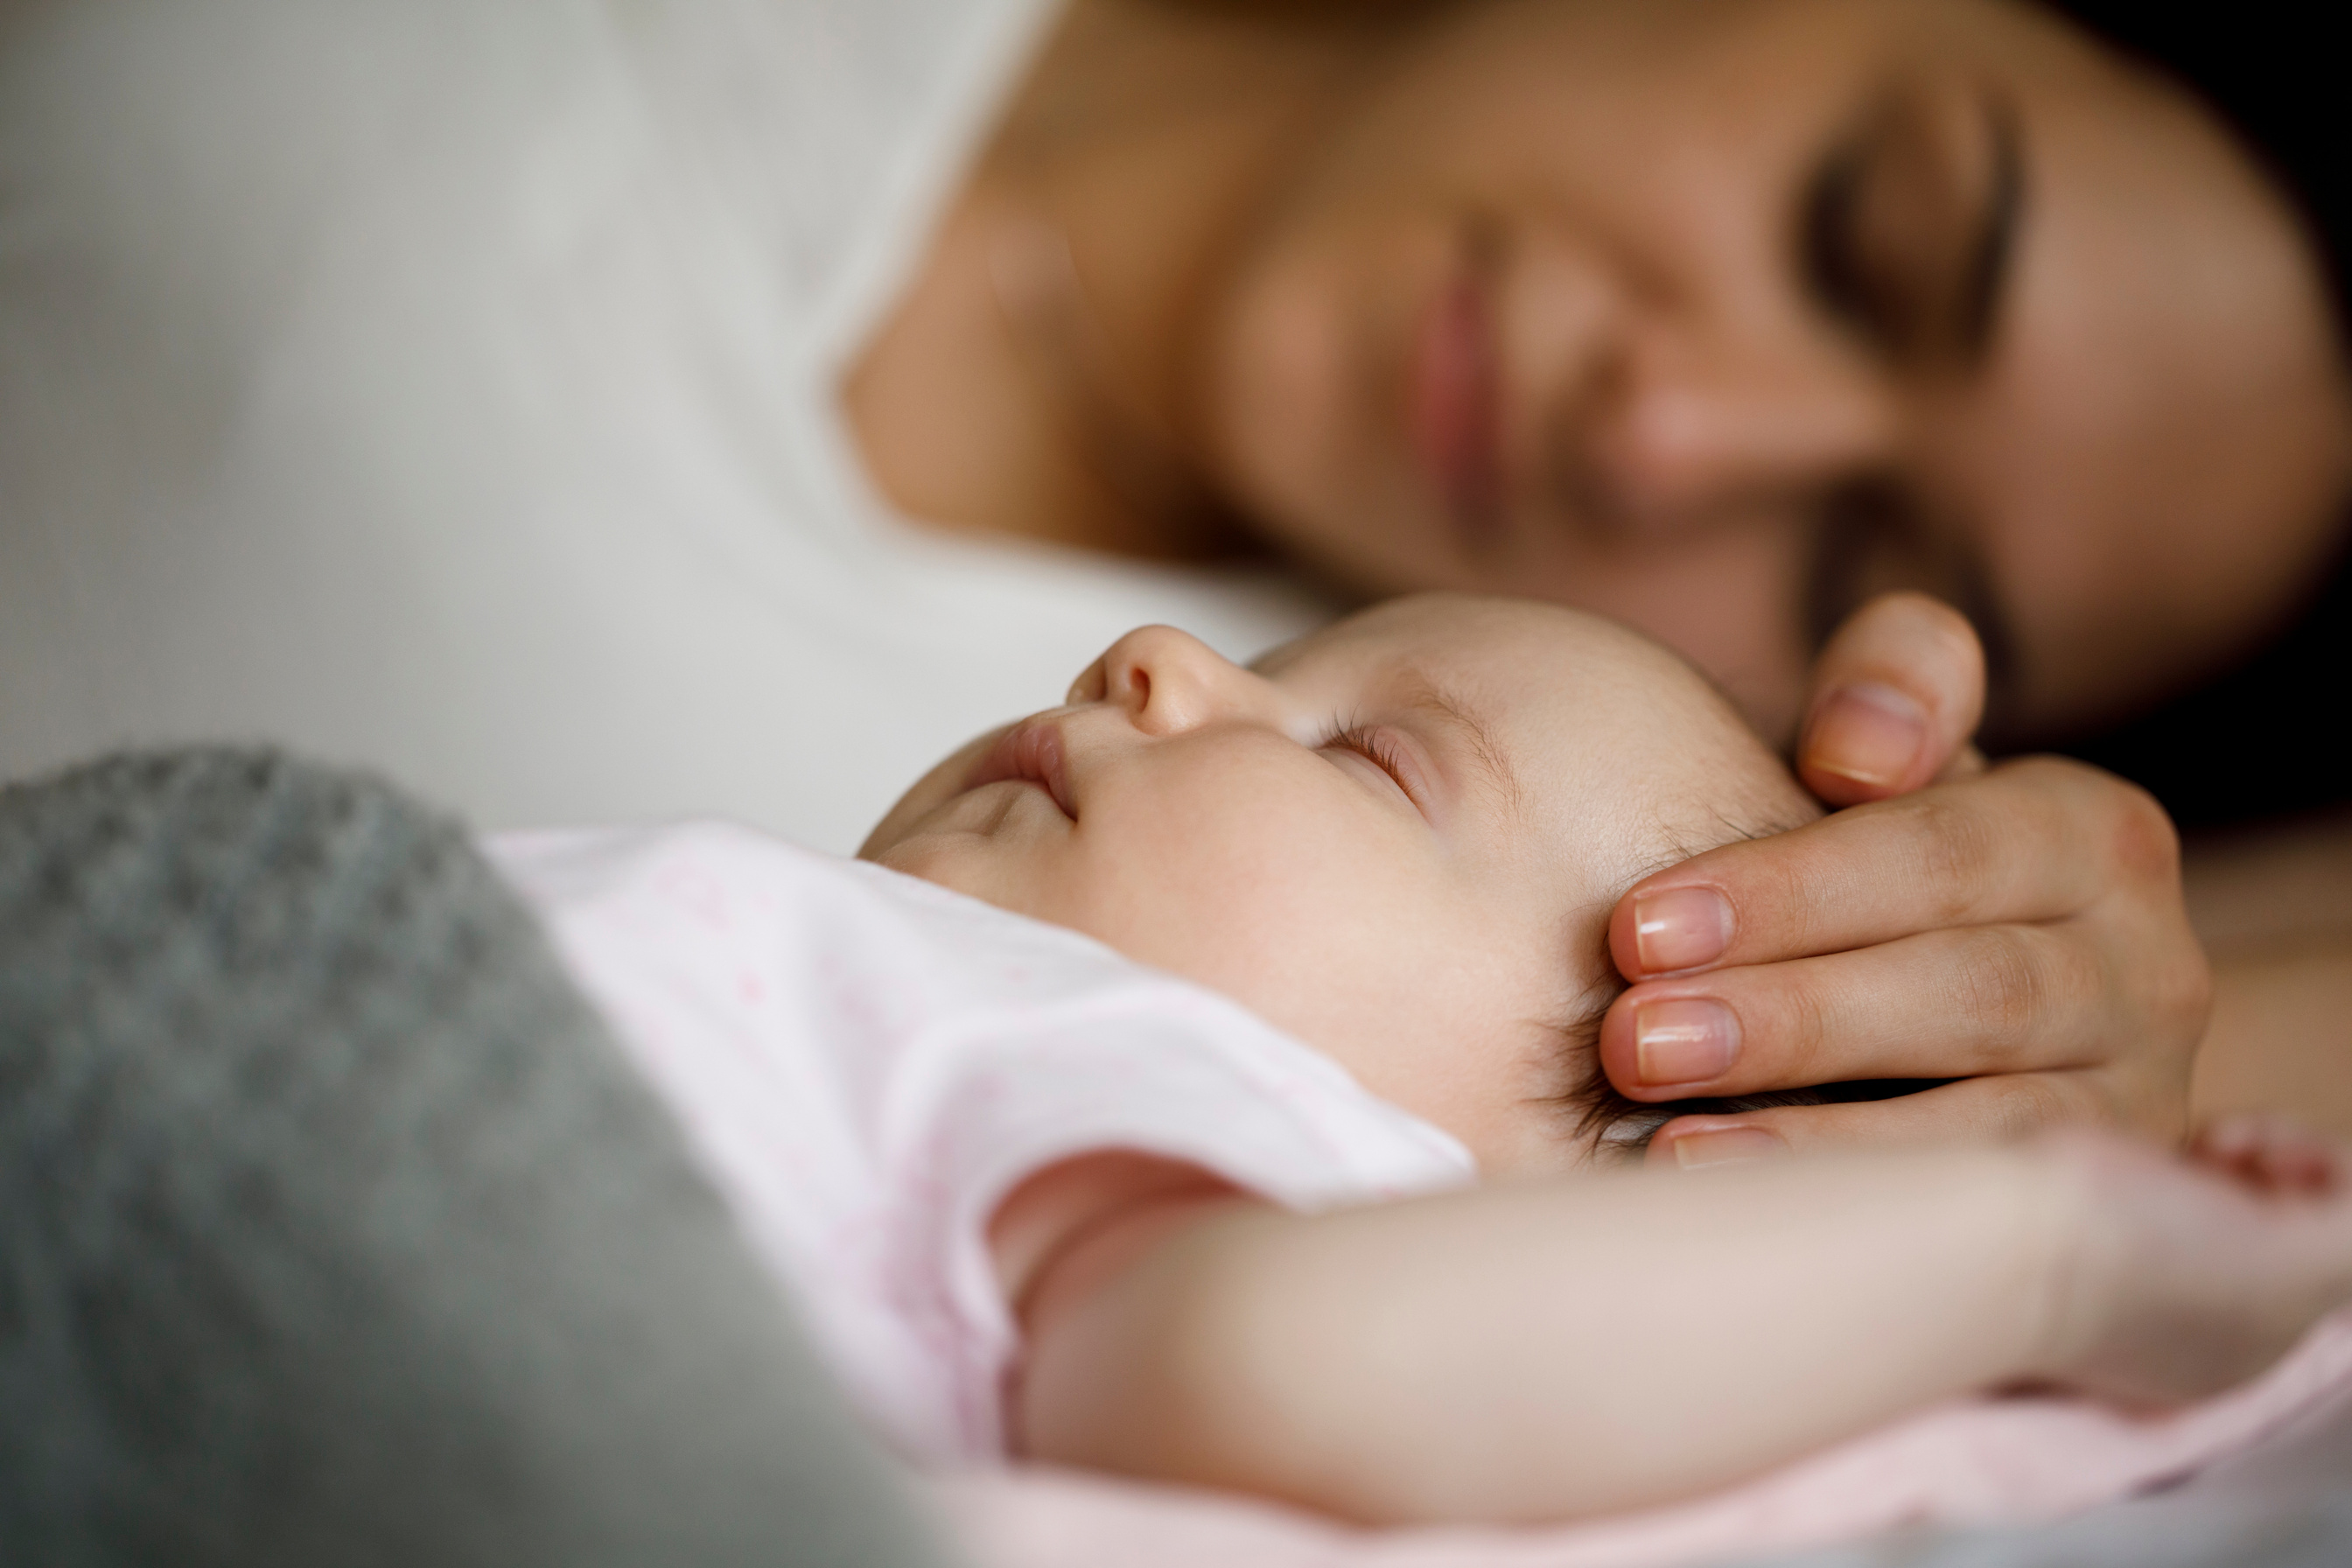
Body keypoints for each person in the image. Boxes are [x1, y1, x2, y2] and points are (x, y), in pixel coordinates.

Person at [0, 0, 2334, 1162]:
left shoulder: (1299, 984)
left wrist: (2063, 1048)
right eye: (1862, 235)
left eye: (1851, 558)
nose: (1667, 432)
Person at [489, 592, 2352, 1527]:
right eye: (1270, 658)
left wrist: (2052, 1251)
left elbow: (1251, 1352)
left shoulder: (1196, 1112)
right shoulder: (881, 992)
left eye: (1364, 758)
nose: (1150, 658)